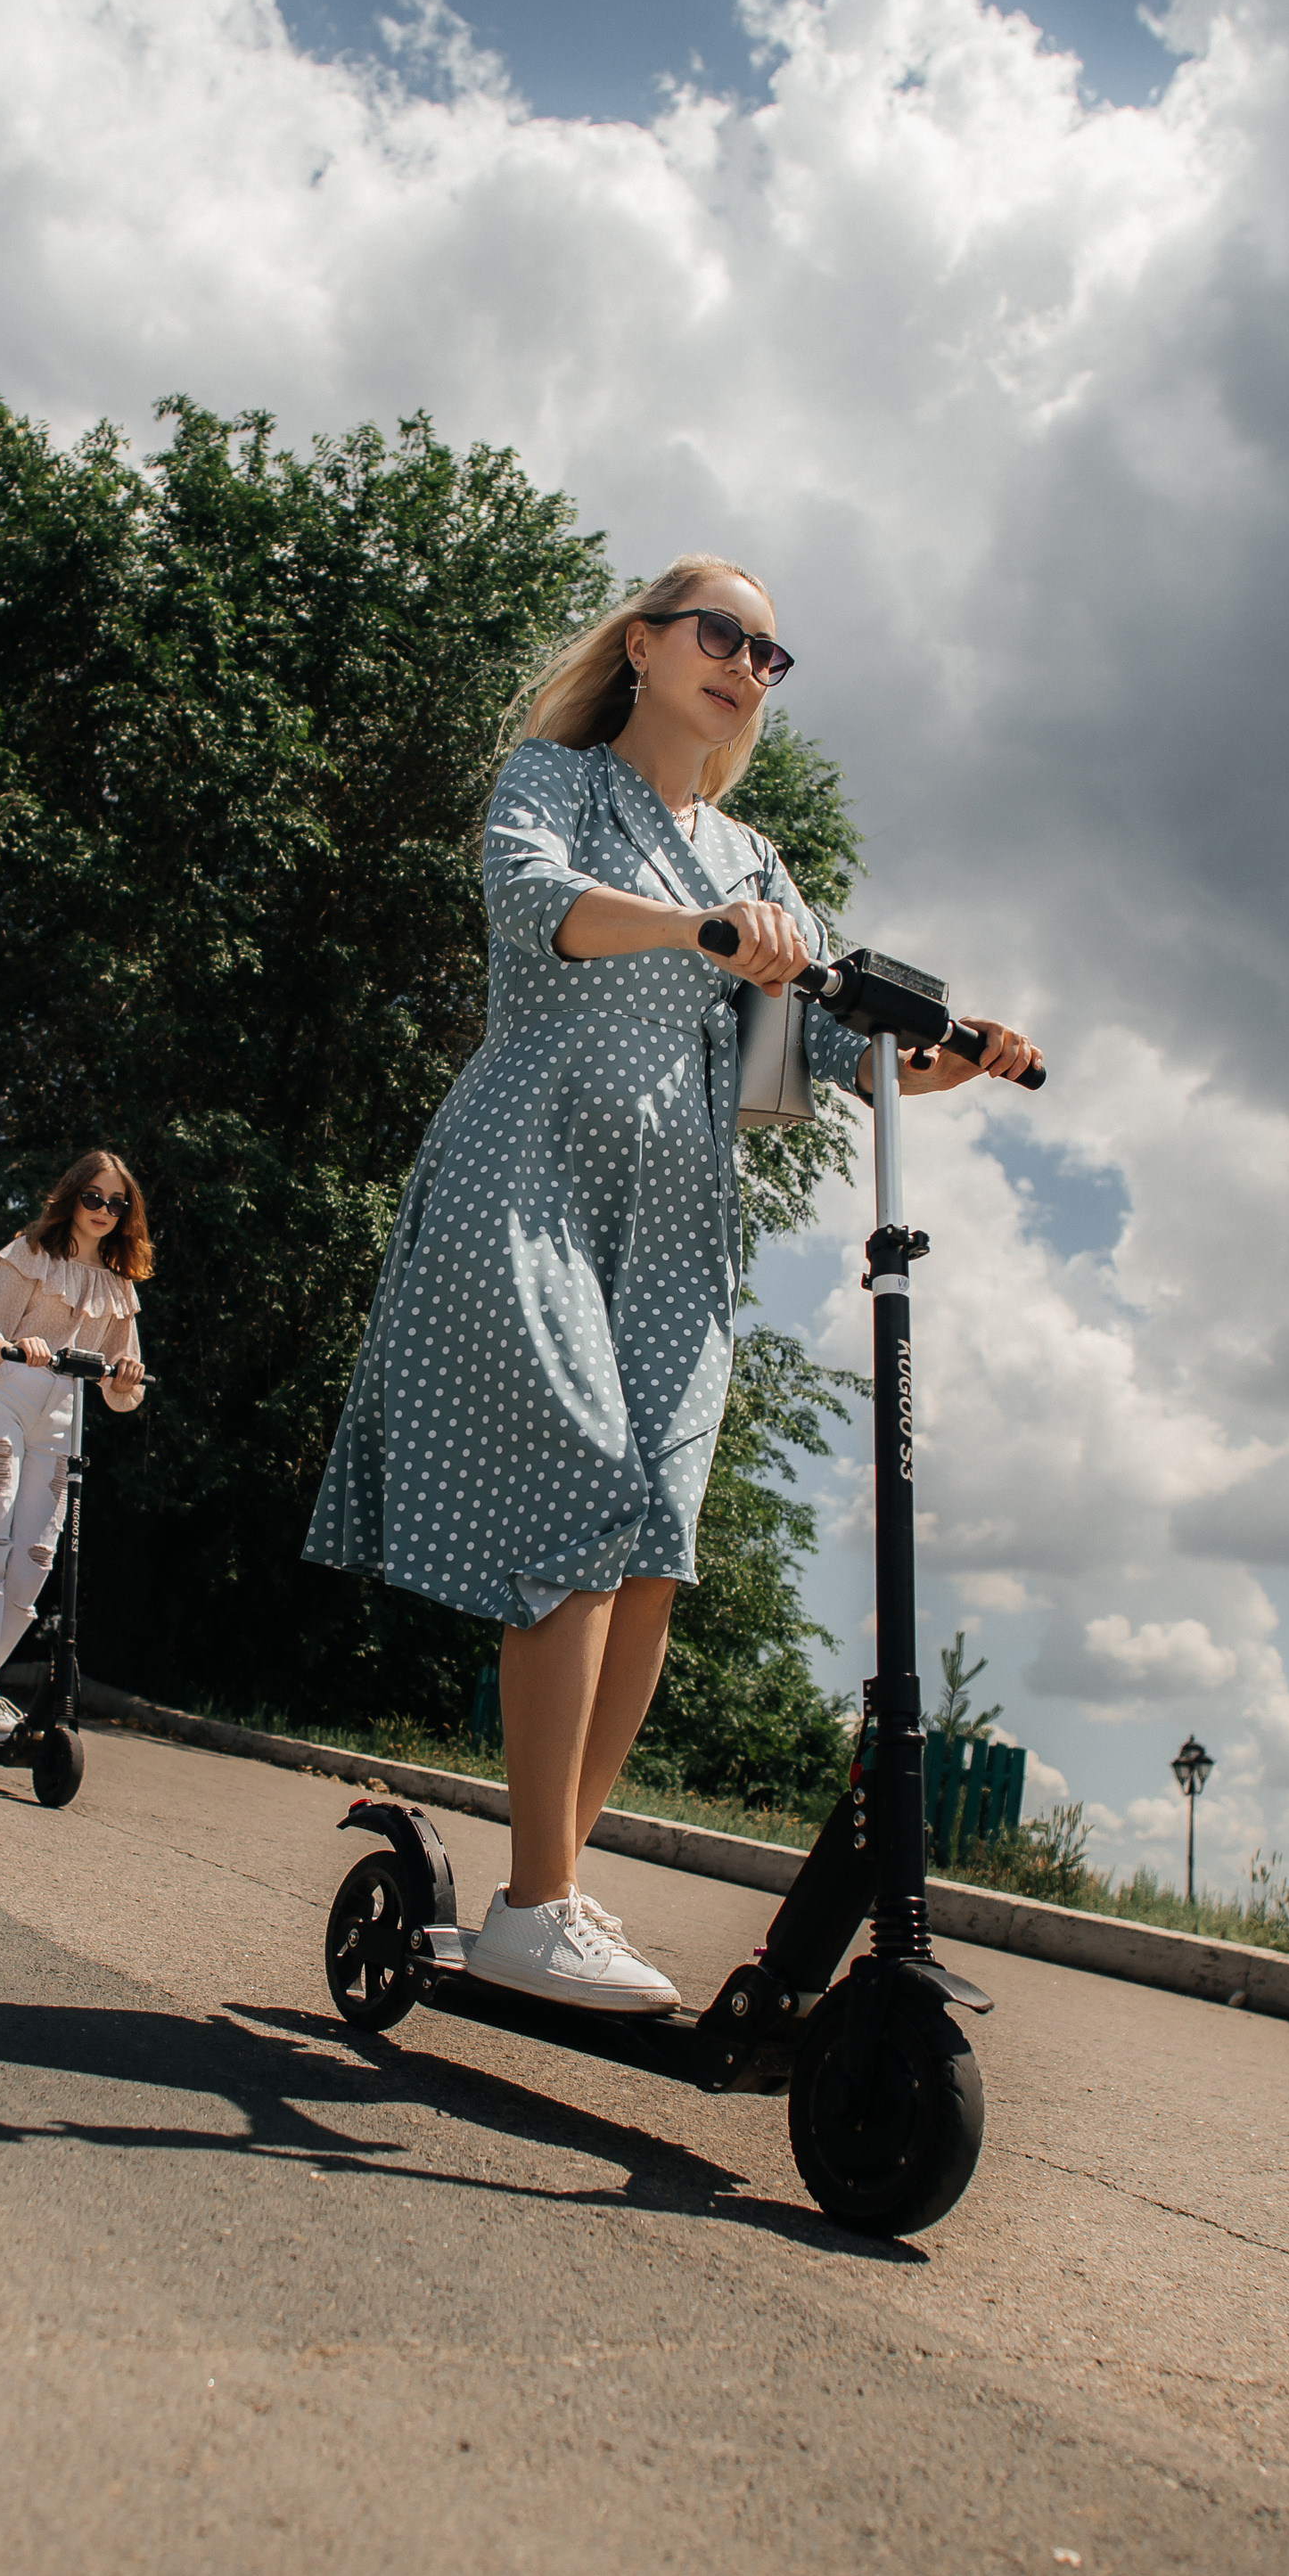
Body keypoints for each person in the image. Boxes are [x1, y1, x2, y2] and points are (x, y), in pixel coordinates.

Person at [305, 558, 1038, 2013]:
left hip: (680, 1217)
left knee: (648, 1547)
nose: (749, 664)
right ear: (643, 645)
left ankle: (546, 1890)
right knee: (580, 1487)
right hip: (533, 1168)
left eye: (774, 651)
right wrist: (694, 927)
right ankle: (539, 1899)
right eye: (723, 633)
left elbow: (809, 1061)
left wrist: (949, 1058)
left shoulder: (761, 864)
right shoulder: (556, 782)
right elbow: (536, 907)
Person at [0, 1151, 150, 1744]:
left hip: (61, 1412)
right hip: (3, 1395)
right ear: (72, 1195)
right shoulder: (30, 1253)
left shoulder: (119, 1285)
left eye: (117, 1202)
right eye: (94, 1198)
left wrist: (125, 1374)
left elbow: (119, 1385)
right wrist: (11, 1343)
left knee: (35, 1556)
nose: (105, 1211)